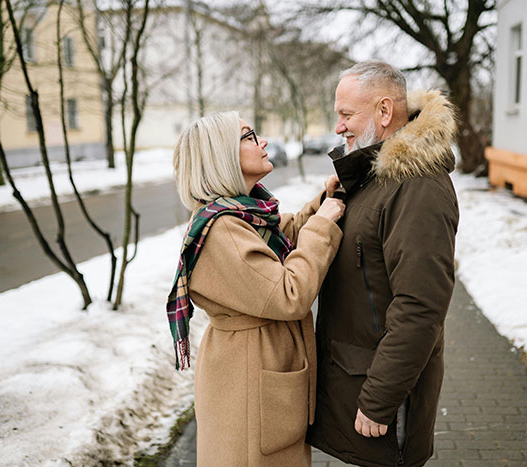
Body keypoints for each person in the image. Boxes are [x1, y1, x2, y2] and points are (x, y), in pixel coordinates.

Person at [166, 111, 345, 466]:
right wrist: (322, 226)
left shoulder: (241, 213)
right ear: (221, 157)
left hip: (255, 366)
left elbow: (285, 236)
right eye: (249, 137)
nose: (262, 142)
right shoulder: (222, 231)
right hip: (249, 377)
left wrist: (322, 204)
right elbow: (288, 294)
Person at [306, 61, 459, 466]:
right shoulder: (377, 177)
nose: (338, 127)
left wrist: (379, 400)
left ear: (385, 112)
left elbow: (420, 308)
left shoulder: (418, 188)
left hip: (382, 397)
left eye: (346, 115)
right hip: (354, 379)